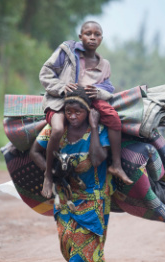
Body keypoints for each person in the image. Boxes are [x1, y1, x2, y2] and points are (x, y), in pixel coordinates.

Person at [30, 86, 114, 262]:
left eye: (78, 112)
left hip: (94, 198)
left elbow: (97, 159)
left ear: (88, 112)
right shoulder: (56, 131)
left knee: (87, 242)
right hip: (65, 197)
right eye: (68, 112)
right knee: (68, 242)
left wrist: (95, 127)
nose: (73, 117)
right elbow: (35, 151)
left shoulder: (99, 130)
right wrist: (54, 173)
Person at [39, 20, 132, 200]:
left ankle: (117, 165)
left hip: (88, 102)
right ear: (80, 37)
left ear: (101, 39)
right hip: (61, 100)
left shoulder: (104, 64)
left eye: (97, 35)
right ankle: (48, 176)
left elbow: (108, 87)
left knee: (113, 118)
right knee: (57, 129)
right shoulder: (66, 51)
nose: (92, 37)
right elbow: (45, 73)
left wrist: (98, 91)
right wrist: (61, 87)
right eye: (88, 33)